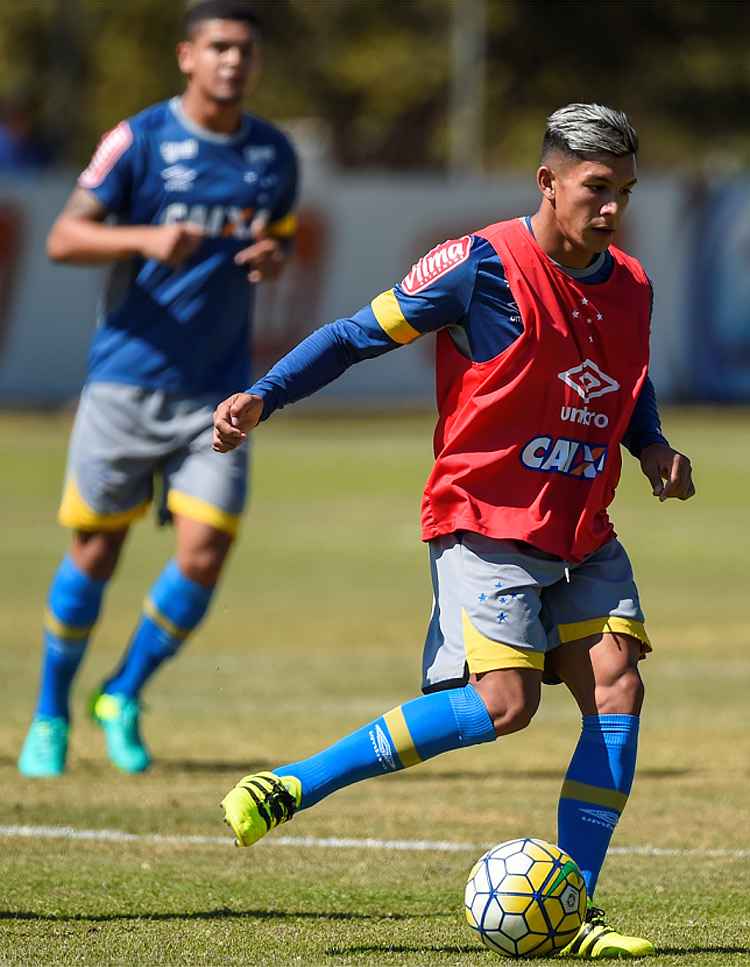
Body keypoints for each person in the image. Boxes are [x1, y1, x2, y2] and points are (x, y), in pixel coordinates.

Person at [212, 103, 694, 959]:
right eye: (596, 189)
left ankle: (573, 907)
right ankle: (293, 784)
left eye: (623, 190)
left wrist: (652, 446)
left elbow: (627, 381)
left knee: (618, 689)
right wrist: (265, 395)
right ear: (547, 182)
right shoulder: (480, 266)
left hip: (582, 523)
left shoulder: (632, 283)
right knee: (504, 705)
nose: (613, 208)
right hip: (487, 520)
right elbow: (354, 334)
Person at [18, 0, 298, 778]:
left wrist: (274, 258)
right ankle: (49, 710)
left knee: (204, 551)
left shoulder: (273, 154)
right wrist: (143, 237)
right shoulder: (139, 139)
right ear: (187, 56)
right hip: (125, 383)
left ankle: (125, 690)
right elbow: (64, 235)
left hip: (217, 393)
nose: (232, 61)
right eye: (217, 47)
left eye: (244, 48)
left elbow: (276, 237)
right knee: (96, 548)